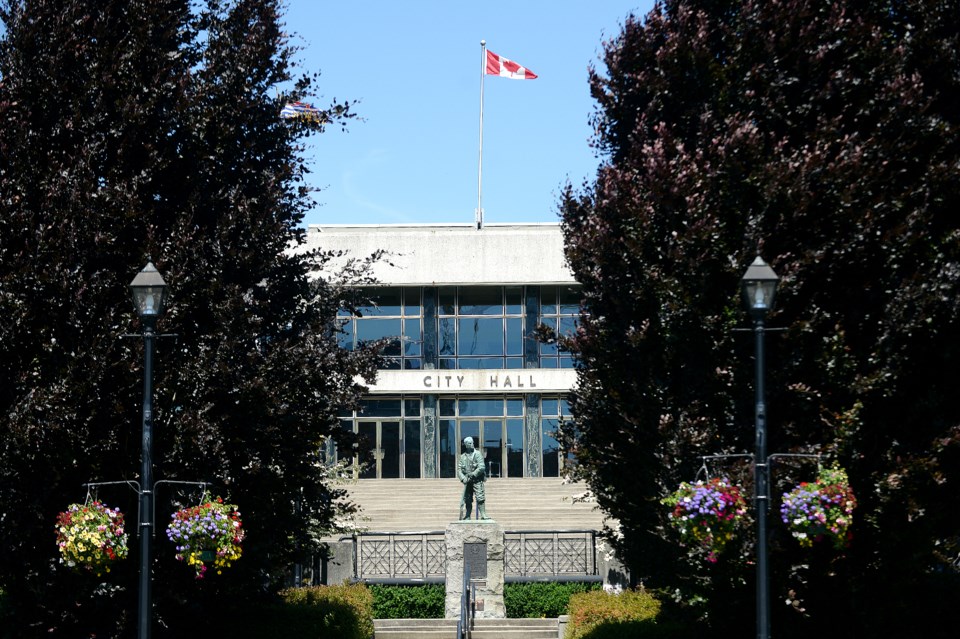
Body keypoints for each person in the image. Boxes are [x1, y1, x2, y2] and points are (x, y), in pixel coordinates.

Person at [458, 437, 489, 520]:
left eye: (472, 443)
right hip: (467, 481)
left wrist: (473, 474)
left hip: (477, 480)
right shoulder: (462, 457)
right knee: (467, 499)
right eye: (469, 443)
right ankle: (467, 515)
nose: (472, 444)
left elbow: (481, 467)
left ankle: (483, 514)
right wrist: (463, 478)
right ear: (466, 445)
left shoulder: (478, 454)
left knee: (480, 497)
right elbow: (459, 469)